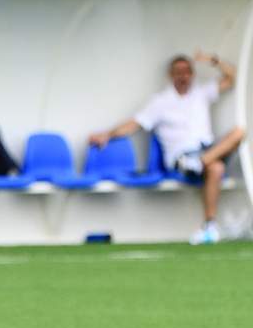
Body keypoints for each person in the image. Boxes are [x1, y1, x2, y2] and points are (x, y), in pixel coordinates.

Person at [89, 52, 245, 245]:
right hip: (182, 157)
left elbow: (234, 77)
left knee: (239, 132)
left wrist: (213, 60)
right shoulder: (160, 102)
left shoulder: (201, 93)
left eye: (187, 71)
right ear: (171, 75)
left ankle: (201, 164)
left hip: (206, 151)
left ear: (192, 74)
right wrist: (107, 134)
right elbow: (134, 123)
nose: (183, 76)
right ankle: (210, 224)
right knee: (217, 168)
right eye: (178, 72)